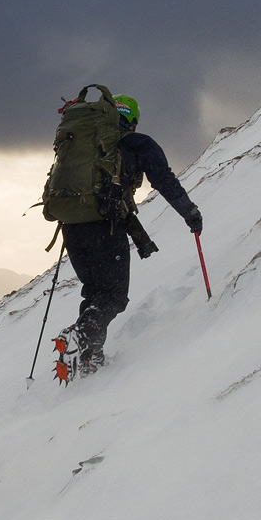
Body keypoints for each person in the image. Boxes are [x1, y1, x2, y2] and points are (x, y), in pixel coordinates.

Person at [47, 94, 206, 376]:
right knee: (114, 296)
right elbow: (164, 180)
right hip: (105, 226)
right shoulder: (137, 143)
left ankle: (89, 360)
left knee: (95, 293)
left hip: (71, 225)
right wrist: (189, 212)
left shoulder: (85, 143)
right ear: (132, 120)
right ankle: (81, 336)